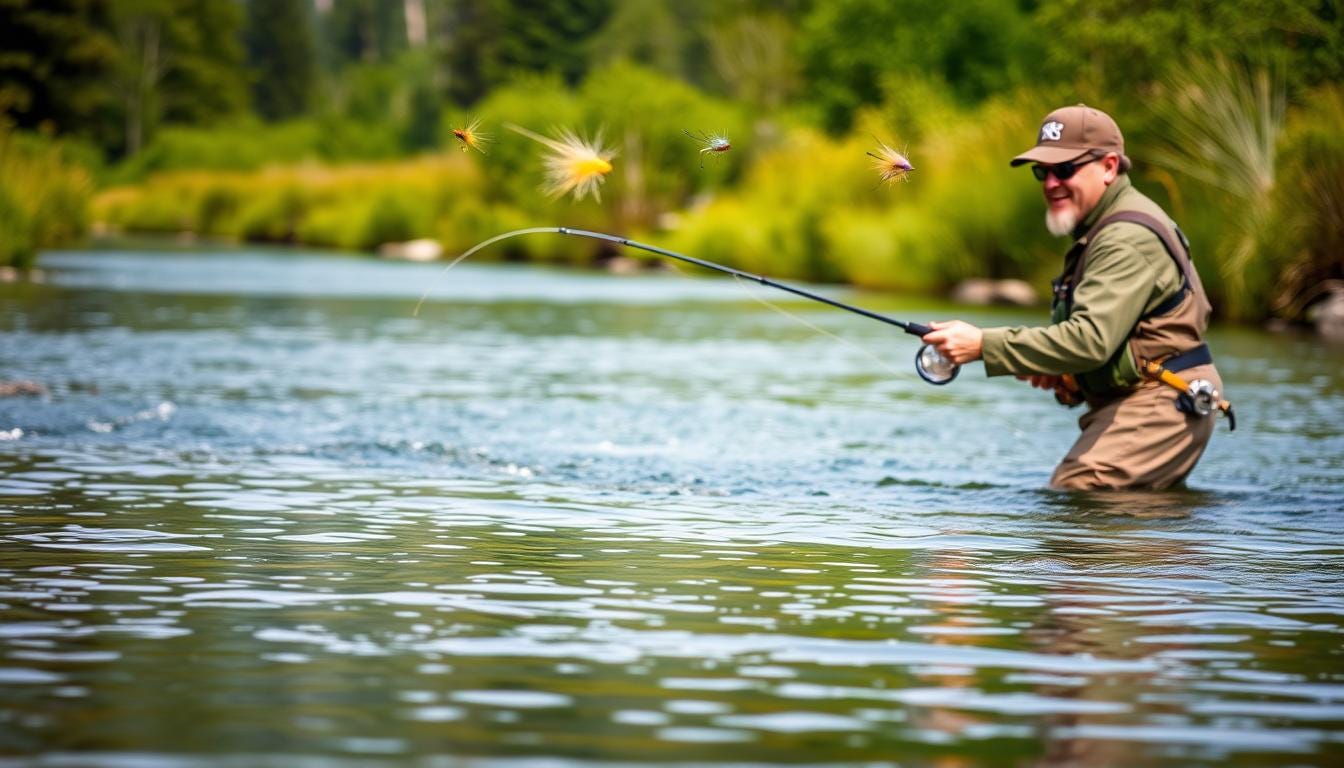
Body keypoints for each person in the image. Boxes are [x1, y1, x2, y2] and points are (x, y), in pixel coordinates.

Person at [922, 104, 1229, 490]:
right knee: (1116, 518)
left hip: (1162, 402)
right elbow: (1115, 340)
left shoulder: (1124, 239)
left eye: (1065, 169)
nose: (1051, 183)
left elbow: (1089, 341)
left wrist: (983, 344)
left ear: (1110, 167)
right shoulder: (1102, 229)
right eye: (1042, 172)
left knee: (1082, 490)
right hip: (1149, 399)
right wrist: (1069, 376)